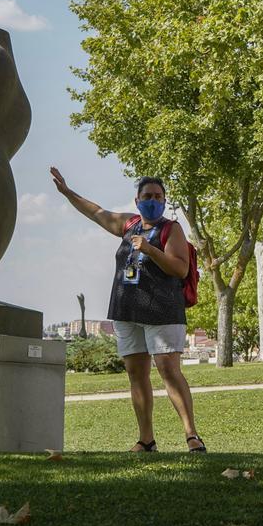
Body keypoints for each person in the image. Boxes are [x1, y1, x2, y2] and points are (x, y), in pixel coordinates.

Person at [50, 167, 206, 453]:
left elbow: (180, 268)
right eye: (147, 196)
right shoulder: (129, 224)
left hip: (161, 310)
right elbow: (97, 213)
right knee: (136, 374)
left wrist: (150, 249)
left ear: (164, 200)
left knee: (168, 370)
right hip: (127, 310)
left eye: (158, 196)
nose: (153, 200)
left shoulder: (172, 229)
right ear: (137, 200)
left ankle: (192, 436)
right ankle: (146, 440)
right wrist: (67, 192)